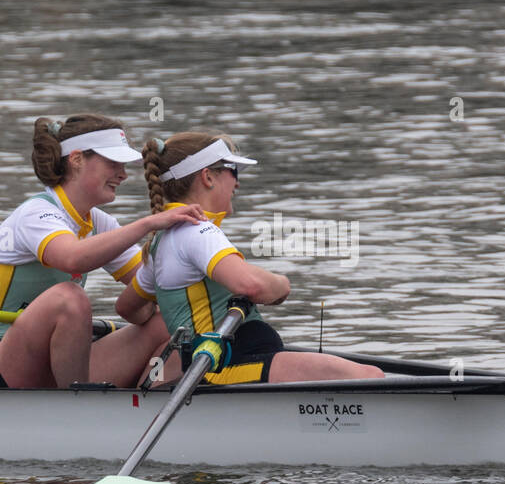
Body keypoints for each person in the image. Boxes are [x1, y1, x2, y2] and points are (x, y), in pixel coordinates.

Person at [0, 113, 205, 389]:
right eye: (113, 163)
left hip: (51, 367)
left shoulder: (97, 221)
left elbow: (156, 284)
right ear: (76, 159)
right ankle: (79, 407)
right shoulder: (35, 213)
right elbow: (71, 258)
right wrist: (149, 223)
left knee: (171, 323)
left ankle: (154, 401)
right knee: (69, 299)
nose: (123, 174)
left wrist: (209, 258)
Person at [117, 131, 383, 384]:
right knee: (371, 376)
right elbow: (251, 287)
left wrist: (181, 315)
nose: (238, 182)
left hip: (221, 362)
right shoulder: (198, 231)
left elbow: (128, 307)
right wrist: (281, 285)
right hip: (223, 368)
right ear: (208, 177)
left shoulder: (161, 241)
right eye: (233, 172)